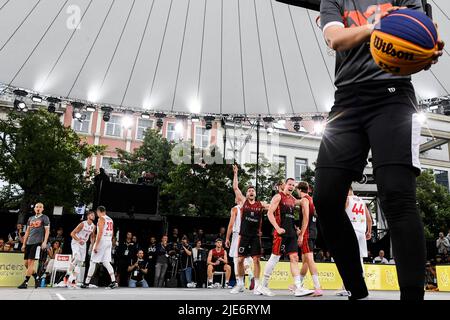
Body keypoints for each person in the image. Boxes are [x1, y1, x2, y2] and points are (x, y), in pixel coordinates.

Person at [315, 0, 444, 301]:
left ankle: (412, 296)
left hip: (394, 97)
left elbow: (427, 29)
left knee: (397, 196)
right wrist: (379, 27)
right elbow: (335, 38)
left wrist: (427, 44)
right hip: (346, 100)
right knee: (325, 198)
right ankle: (356, 287)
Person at [255, 178, 314, 297]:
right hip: (281, 234)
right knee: (275, 257)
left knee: (294, 258)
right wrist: (277, 228)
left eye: (293, 185)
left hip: (291, 234)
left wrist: (298, 231)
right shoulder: (278, 197)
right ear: (285, 185)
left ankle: (298, 287)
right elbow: (269, 213)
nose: (291, 186)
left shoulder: (293, 200)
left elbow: (300, 206)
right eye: (289, 184)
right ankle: (262, 286)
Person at [229, 164, 269, 294]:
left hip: (255, 236)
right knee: (240, 260)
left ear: (255, 194)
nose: (251, 192)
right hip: (244, 236)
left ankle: (257, 286)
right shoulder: (243, 202)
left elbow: (273, 206)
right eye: (249, 191)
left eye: (253, 191)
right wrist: (235, 173)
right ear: (246, 194)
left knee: (256, 260)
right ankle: (240, 283)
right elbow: (235, 187)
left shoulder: (260, 205)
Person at [336, 187, 373, 296]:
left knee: (347, 259)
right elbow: (369, 219)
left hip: (351, 231)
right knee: (360, 259)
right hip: (361, 231)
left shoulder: (346, 199)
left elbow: (341, 215)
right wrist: (369, 231)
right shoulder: (361, 201)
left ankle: (347, 286)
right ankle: (361, 284)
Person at [296, 181, 323, 297]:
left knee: (310, 259)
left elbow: (306, 217)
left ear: (299, 190)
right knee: (305, 260)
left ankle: (318, 287)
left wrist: (301, 234)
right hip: (313, 231)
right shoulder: (311, 200)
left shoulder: (305, 200)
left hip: (307, 232)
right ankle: (299, 285)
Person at [81, 206, 118, 289]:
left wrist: (96, 245)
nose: (97, 214)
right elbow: (112, 233)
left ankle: (86, 282)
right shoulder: (110, 219)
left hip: (102, 241)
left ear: (99, 211)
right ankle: (113, 281)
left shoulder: (101, 219)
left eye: (97, 213)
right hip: (108, 241)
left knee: (93, 261)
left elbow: (100, 232)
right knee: (106, 262)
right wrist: (111, 243)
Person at [18, 203, 50, 289]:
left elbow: (47, 231)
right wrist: (24, 243)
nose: (38, 208)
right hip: (29, 242)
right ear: (34, 209)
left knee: (30, 262)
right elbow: (27, 232)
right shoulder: (30, 218)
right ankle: (36, 277)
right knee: (26, 264)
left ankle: (25, 282)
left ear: (43, 209)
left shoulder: (45, 218)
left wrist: (44, 242)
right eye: (37, 207)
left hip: (37, 242)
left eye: (40, 207)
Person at [64, 210, 96, 288]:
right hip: (76, 242)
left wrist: (92, 245)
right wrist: (79, 240)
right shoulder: (82, 224)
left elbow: (92, 236)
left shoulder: (94, 226)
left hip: (83, 244)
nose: (94, 216)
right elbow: (72, 233)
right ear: (88, 216)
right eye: (92, 215)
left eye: (94, 215)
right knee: (77, 257)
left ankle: (72, 279)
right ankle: (67, 274)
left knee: (80, 263)